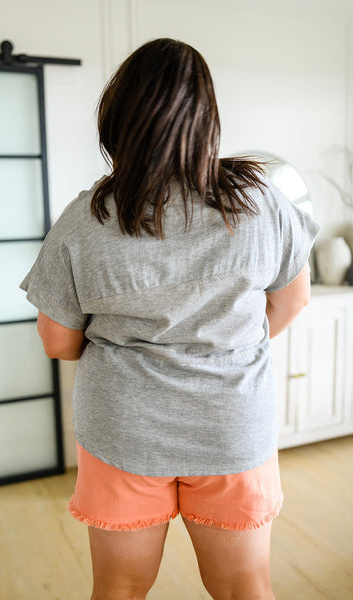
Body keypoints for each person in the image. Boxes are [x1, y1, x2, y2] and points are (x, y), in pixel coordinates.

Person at [20, 38, 319, 600]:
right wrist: (227, 348)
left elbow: (57, 341)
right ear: (207, 119)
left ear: (117, 120)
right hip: (232, 423)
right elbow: (293, 300)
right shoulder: (260, 201)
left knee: (120, 588)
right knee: (244, 589)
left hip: (122, 428)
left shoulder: (87, 218)